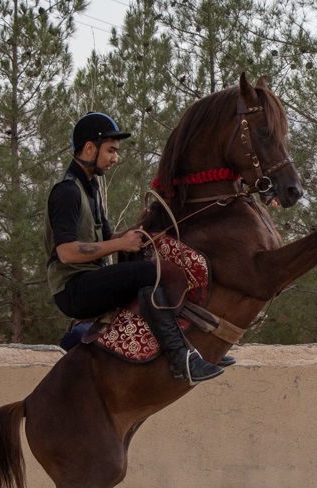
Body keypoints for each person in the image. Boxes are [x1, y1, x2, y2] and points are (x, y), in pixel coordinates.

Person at [44, 111, 229, 384]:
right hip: (73, 289)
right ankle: (181, 359)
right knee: (148, 274)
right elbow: (67, 252)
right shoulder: (67, 192)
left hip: (89, 280)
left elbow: (108, 238)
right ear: (89, 148)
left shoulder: (92, 187)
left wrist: (138, 232)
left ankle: (192, 345)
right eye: (111, 151)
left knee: (147, 262)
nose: (115, 158)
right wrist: (120, 243)